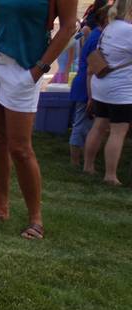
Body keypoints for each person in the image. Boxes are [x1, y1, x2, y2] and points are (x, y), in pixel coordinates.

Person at [0, 0, 78, 240]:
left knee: (20, 148)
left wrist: (39, 70)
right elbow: (1, 23)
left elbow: (68, 28)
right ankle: (1, 208)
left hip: (25, 67)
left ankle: (36, 220)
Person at [83, 0, 132, 185]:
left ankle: (88, 166)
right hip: (121, 90)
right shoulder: (128, 31)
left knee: (99, 126)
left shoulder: (110, 28)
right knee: (118, 131)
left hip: (101, 86)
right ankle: (110, 175)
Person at [69, 0, 109, 167]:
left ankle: (80, 160)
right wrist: (91, 97)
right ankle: (75, 161)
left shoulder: (95, 35)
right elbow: (93, 68)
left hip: (86, 85)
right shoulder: (97, 37)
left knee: (87, 124)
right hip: (86, 87)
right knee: (81, 124)